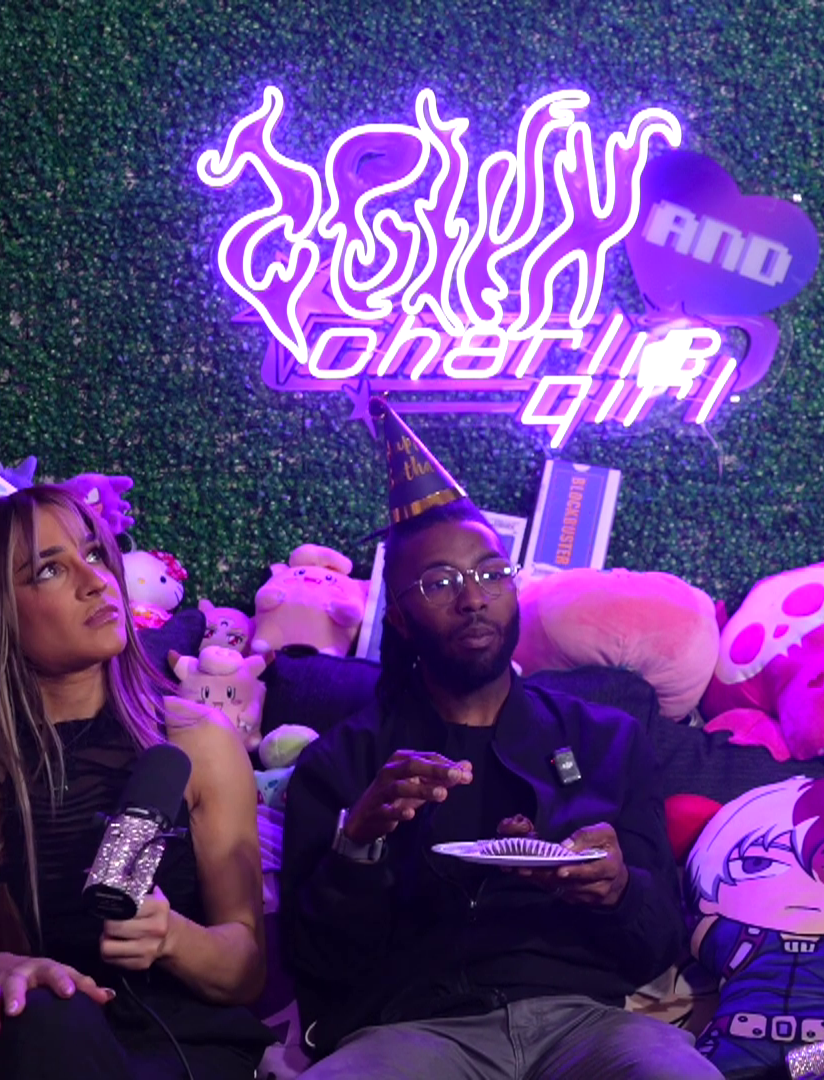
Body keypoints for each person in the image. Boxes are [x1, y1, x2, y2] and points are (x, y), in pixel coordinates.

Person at [281, 400, 721, 1079]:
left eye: (491, 573)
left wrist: (618, 890)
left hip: (583, 1023)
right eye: (440, 583)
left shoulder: (607, 740)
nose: (473, 598)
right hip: (414, 1031)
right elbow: (317, 965)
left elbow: (657, 941)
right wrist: (358, 844)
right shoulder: (345, 762)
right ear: (400, 618)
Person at [0, 485, 275, 1079]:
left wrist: (173, 937)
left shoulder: (199, 741)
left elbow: (247, 970)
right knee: (47, 1018)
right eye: (49, 570)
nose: (96, 580)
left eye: (95, 553)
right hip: (16, 1052)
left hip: (178, 1056)